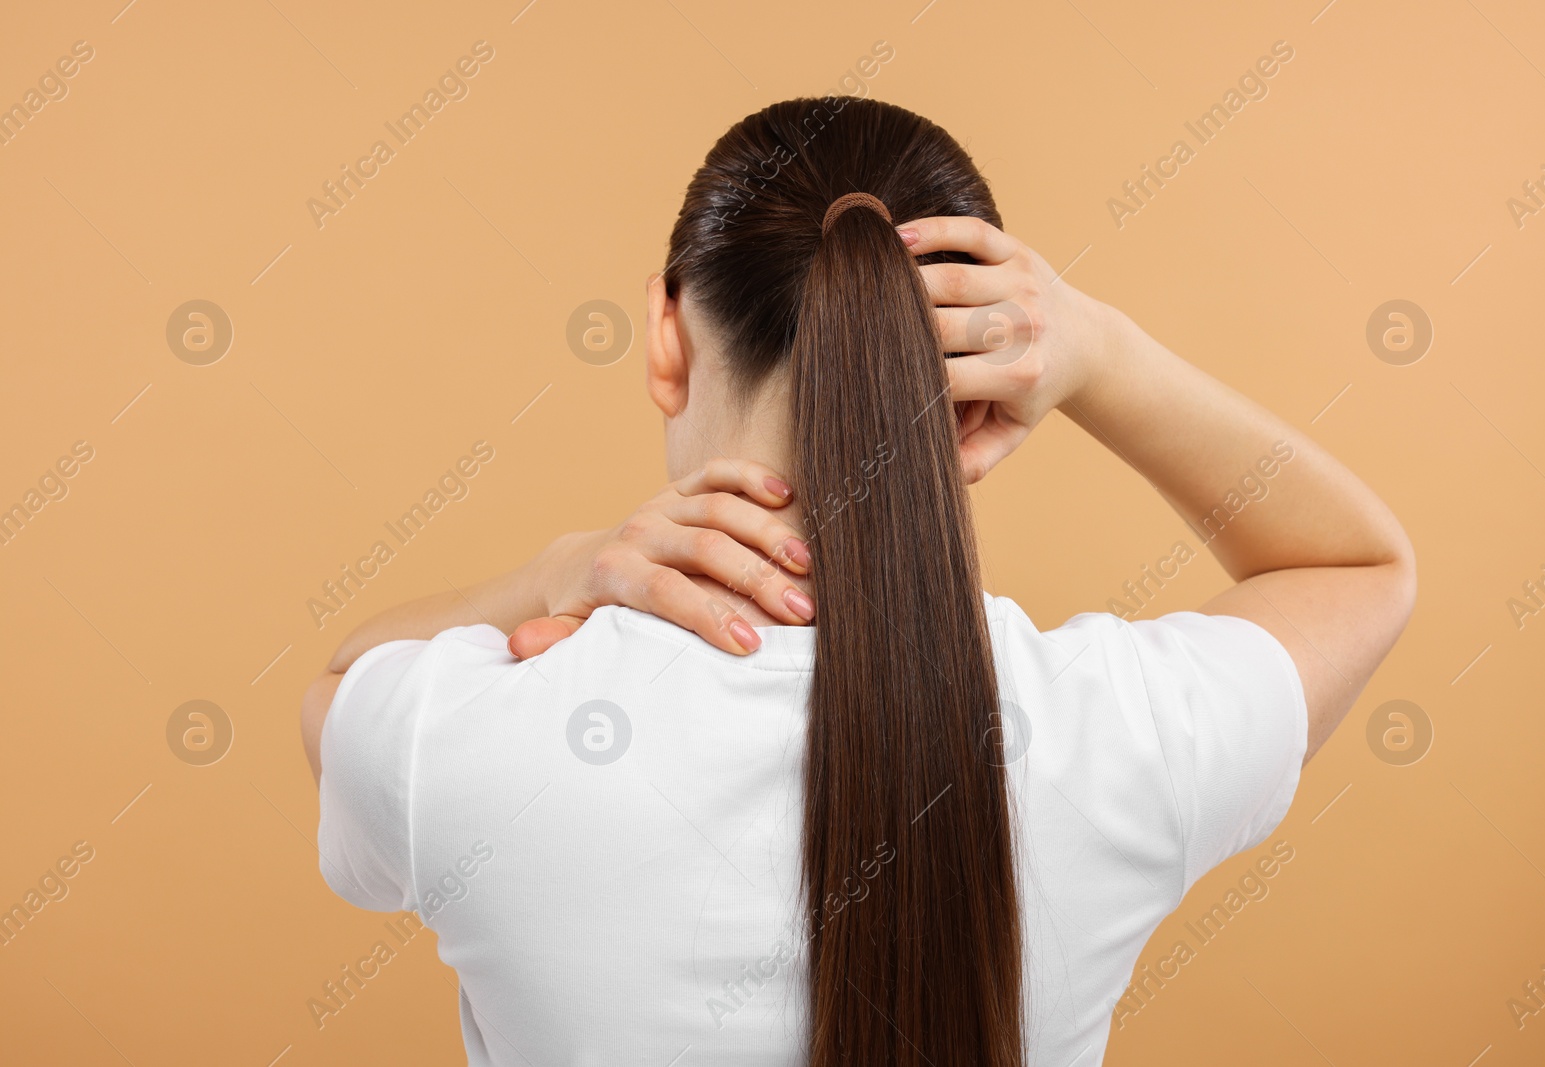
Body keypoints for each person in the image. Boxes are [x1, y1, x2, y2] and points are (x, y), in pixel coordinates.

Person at [300, 98, 1414, 1066]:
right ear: (988, 376)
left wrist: (556, 574)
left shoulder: (463, 739)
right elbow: (1356, 567)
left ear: (666, 334)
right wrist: (1101, 352)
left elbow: (340, 682)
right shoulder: (1115, 726)